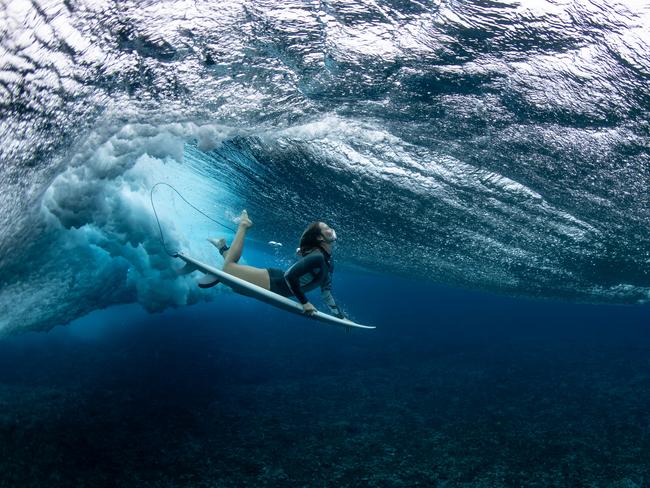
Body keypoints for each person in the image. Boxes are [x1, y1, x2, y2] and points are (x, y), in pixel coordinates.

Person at [204, 210, 346, 319]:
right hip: (274, 282)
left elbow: (326, 292)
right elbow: (290, 276)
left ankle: (222, 247)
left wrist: (339, 316)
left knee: (236, 287)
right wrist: (305, 302)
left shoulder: (328, 262)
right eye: (326, 227)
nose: (331, 228)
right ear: (320, 237)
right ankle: (243, 225)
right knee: (228, 269)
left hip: (275, 282)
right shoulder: (318, 258)